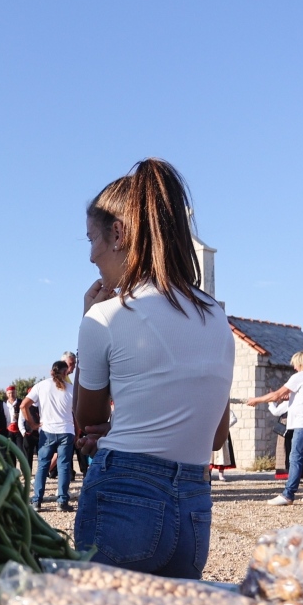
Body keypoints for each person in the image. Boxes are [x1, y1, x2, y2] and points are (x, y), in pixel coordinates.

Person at [72, 158, 233, 577]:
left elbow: (85, 420)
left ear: (119, 235)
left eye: (93, 239)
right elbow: (216, 437)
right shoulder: (217, 317)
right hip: (194, 504)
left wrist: (85, 319)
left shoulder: (104, 318)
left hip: (124, 493)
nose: (91, 256)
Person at [248, 351, 303, 506]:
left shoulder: (300, 376)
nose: (294, 368)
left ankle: (288, 495)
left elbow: (276, 395)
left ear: (300, 363)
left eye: (294, 364)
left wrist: (257, 400)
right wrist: (289, 397)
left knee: (295, 458)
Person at [24, 360, 76, 511]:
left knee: (43, 466)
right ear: (65, 373)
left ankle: (37, 501)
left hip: (47, 431)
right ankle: (62, 501)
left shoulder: (41, 386)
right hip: (66, 430)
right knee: (64, 466)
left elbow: (23, 406)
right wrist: (78, 431)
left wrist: (33, 424)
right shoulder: (71, 389)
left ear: (51, 371)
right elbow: (76, 413)